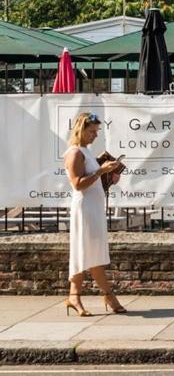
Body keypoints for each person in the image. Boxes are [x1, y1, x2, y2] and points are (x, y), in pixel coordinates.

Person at [63, 112, 127, 317]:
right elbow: (77, 184)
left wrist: (109, 177)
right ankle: (106, 295)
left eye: (97, 131)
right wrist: (100, 172)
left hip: (94, 207)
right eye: (92, 131)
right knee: (86, 251)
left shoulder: (86, 151)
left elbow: (93, 181)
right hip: (85, 208)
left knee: (93, 250)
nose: (95, 135)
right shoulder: (74, 153)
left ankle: (75, 295)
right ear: (81, 130)